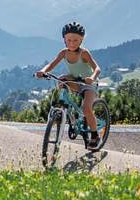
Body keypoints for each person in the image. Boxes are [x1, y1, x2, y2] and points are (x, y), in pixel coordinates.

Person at [35, 21, 102, 150]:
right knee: (61, 79)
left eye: (75, 40)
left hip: (89, 84)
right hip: (75, 81)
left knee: (86, 109)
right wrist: (43, 71)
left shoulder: (84, 53)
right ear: (64, 40)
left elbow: (97, 68)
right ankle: (62, 107)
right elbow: (51, 64)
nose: (72, 43)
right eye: (69, 40)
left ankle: (95, 135)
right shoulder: (63, 53)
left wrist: (92, 78)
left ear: (81, 40)